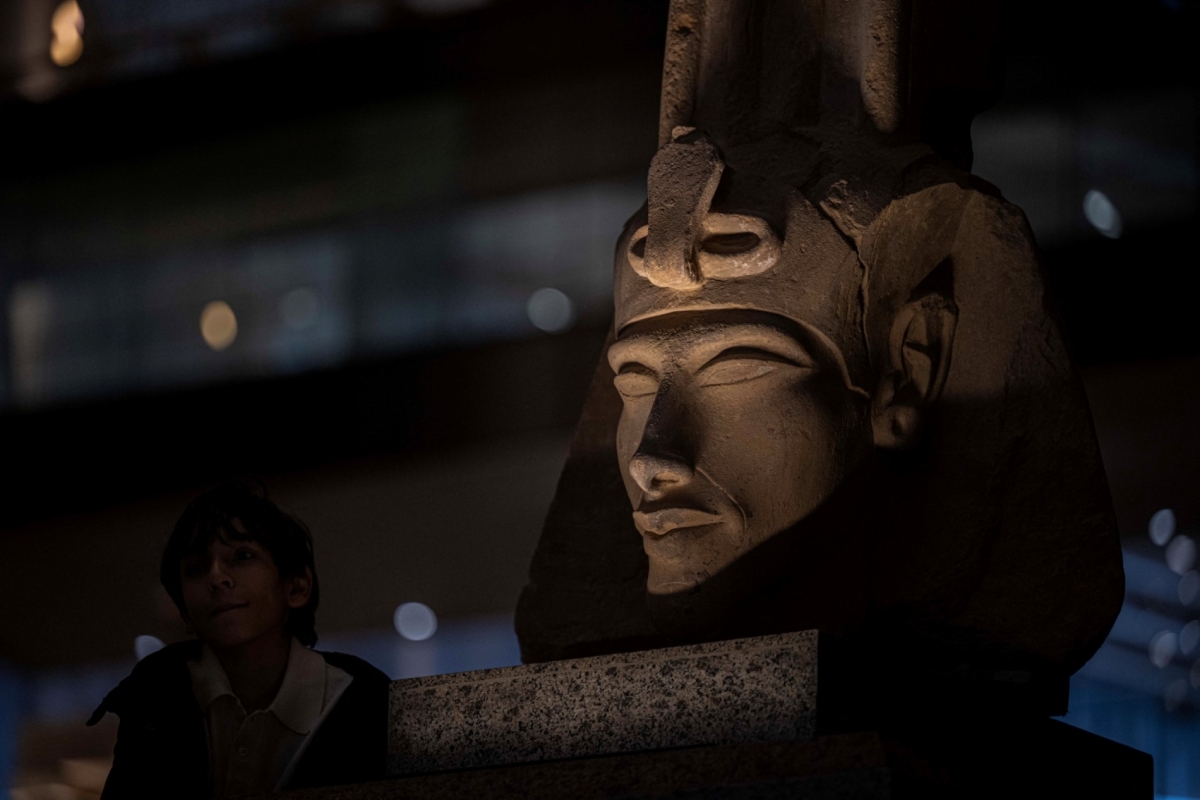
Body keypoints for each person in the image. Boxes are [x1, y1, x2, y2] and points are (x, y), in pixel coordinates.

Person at [88, 481, 389, 798]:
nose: (216, 577)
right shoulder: (154, 701)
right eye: (195, 568)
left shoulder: (363, 703)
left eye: (243, 555)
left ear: (297, 586)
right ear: (186, 612)